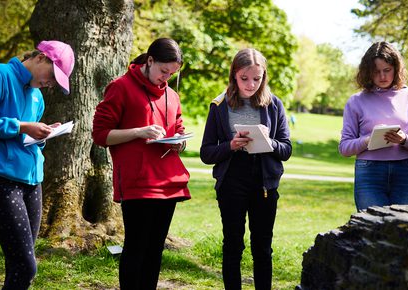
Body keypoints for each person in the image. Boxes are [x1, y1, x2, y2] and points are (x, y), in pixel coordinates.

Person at [0, 40, 75, 289]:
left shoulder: (36, 96)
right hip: (0, 181)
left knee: (21, 263)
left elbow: (26, 140)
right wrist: (22, 126)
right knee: (25, 265)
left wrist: (43, 135)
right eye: (52, 76)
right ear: (41, 58)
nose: (51, 84)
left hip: (32, 182)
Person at [91, 38, 190, 290]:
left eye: (172, 73)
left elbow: (178, 128)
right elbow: (101, 135)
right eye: (163, 71)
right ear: (149, 61)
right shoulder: (120, 87)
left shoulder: (172, 96)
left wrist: (180, 142)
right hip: (137, 181)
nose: (165, 78)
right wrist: (138, 132)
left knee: (155, 250)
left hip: (168, 181)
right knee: (136, 248)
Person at [200, 48, 292, 290]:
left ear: (264, 77)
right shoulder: (219, 106)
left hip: (264, 182)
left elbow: (286, 149)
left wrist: (268, 141)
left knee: (262, 246)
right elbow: (206, 153)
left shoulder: (274, 105)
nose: (251, 84)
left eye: (257, 79)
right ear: (234, 75)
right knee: (233, 245)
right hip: (232, 181)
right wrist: (230, 145)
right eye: (244, 78)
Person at [338, 41, 408, 212]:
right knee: (370, 230)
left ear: (396, 68)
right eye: (376, 72)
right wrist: (368, 140)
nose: (382, 76)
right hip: (369, 173)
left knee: (404, 230)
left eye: (387, 70)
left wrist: (405, 140)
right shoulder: (356, 101)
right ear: (367, 72)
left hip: (406, 171)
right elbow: (344, 148)